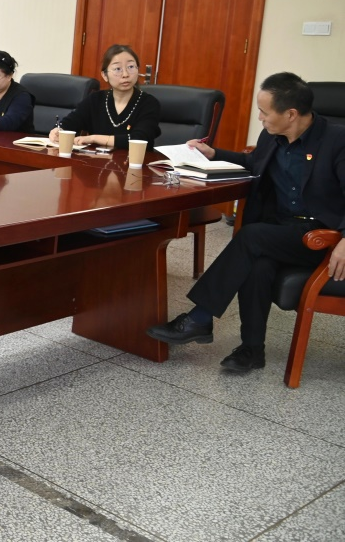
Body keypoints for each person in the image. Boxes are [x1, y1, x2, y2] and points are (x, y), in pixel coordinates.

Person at [147, 72, 345, 372]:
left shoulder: (337, 140)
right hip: (282, 230)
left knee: (251, 237)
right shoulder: (271, 136)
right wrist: (214, 154)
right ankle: (252, 351)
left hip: (321, 235)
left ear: (291, 114)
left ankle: (200, 318)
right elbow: (254, 163)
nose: (260, 118)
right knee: (258, 264)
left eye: (265, 112)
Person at [48, 44, 160, 149]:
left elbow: (139, 139)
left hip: (135, 162)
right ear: (105, 75)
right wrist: (58, 130)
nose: (125, 74)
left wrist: (94, 138)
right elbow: (69, 123)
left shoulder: (149, 103)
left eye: (131, 67)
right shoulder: (95, 99)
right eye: (118, 69)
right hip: (97, 161)